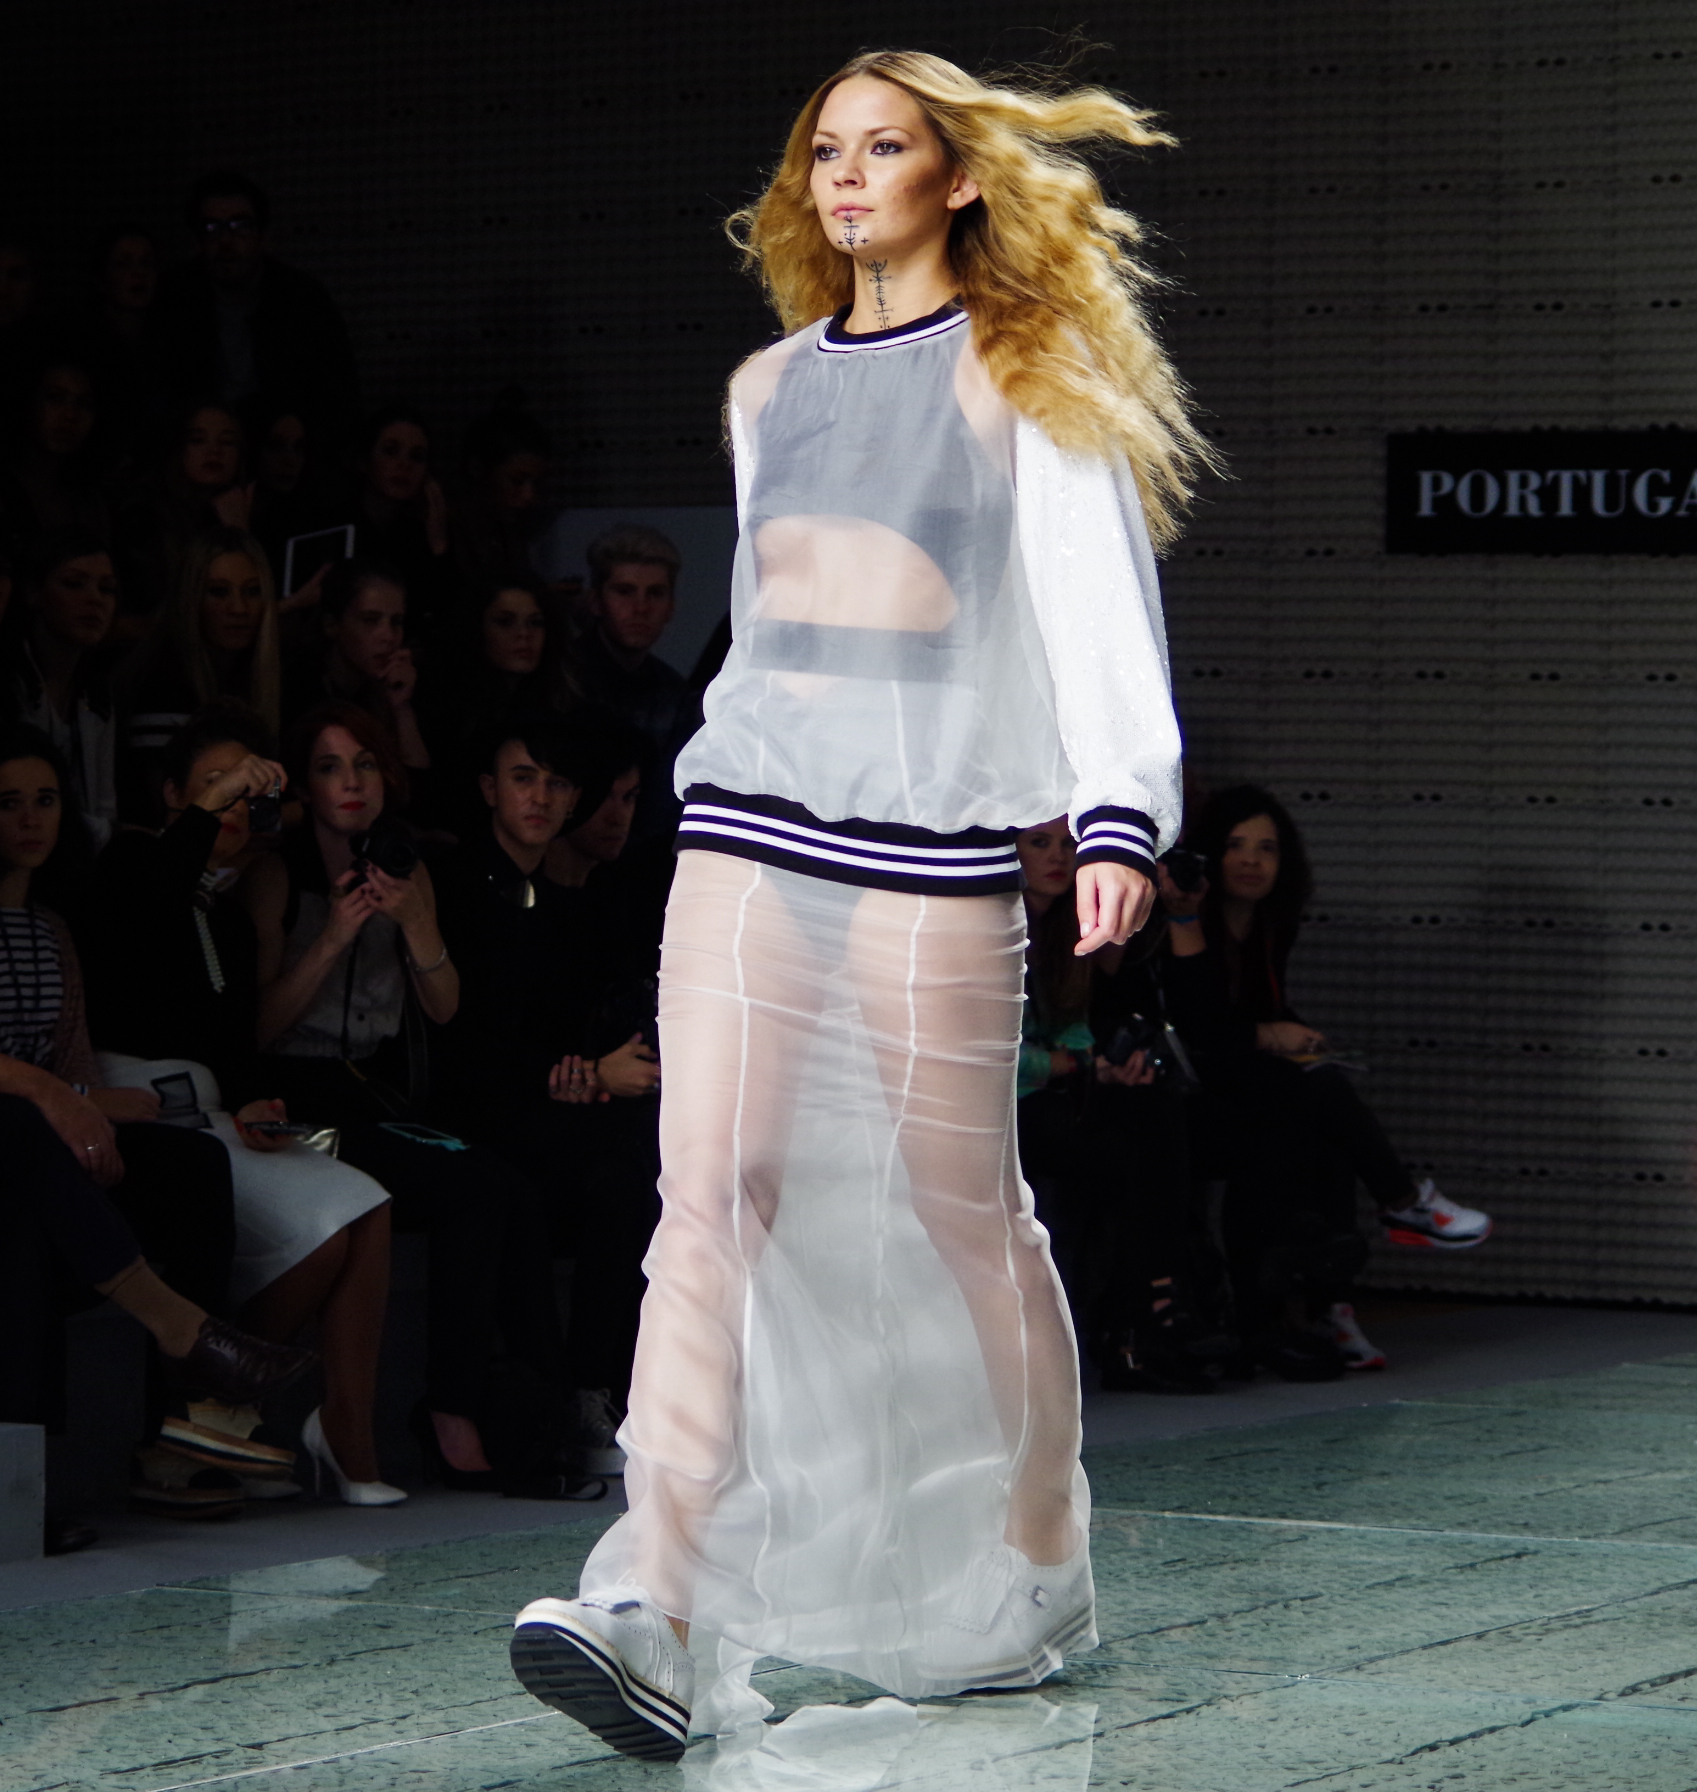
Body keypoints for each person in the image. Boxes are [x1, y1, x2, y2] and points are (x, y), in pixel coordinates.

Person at [508, 50, 1212, 1758]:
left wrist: (1118, 812)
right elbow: (774, 631)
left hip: (932, 853)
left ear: (954, 175)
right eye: (824, 148)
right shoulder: (767, 389)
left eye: (882, 146)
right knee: (708, 1197)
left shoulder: (1026, 369)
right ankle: (657, 1599)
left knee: (969, 1222)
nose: (843, 175)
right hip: (745, 825)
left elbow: (1090, 597)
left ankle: (1034, 1552)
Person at [244, 700, 589, 1498]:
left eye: (365, 764)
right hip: (295, 1096)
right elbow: (257, 1028)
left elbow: (442, 1006)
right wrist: (333, 936)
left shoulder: (408, 868)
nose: (351, 782)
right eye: (330, 768)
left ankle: (529, 1414)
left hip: (373, 1088)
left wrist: (414, 924)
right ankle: (449, 1415)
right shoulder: (277, 873)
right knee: (475, 1187)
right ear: (306, 785)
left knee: (505, 1185)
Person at [82, 704, 400, 1503]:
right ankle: (212, 1412)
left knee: (365, 1203)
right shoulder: (128, 866)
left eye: (245, 792)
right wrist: (208, 810)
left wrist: (257, 1100)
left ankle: (340, 1428)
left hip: (216, 1115)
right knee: (327, 1228)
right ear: (174, 795)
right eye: (215, 785)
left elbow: (231, 1042)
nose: (232, 804)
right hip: (142, 1110)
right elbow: (145, 907)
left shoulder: (222, 912)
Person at [0, 724, 315, 1516]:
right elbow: (50, 1085)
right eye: (8, 803)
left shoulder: (51, 927)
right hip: (16, 1133)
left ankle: (178, 1435)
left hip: (39, 1139)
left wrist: (78, 1101)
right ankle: (182, 1335)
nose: (29, 819)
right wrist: (56, 1098)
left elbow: (71, 1058)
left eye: (45, 800)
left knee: (190, 1166)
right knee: (28, 1161)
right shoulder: (128, 877)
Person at [1160, 785, 1494, 1375]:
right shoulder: (1185, 916)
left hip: (1245, 1094)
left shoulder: (1268, 925)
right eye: (1236, 846)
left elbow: (1258, 1012)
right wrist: (1270, 1035)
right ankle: (1401, 1206)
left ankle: (1328, 1307)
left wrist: (1294, 1034)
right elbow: (1200, 1029)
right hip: (1182, 1101)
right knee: (1314, 1101)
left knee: (1321, 1124)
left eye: (1267, 848)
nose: (1251, 861)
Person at [434, 713, 662, 1470]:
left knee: (636, 1164)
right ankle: (583, 1394)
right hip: (470, 1113)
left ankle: (608, 1391)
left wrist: (590, 1072)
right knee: (619, 1171)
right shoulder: (461, 883)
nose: (540, 797)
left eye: (557, 783)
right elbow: (464, 1040)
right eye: (524, 778)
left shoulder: (558, 899)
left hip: (545, 1108)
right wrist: (586, 1074)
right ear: (488, 788)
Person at [1012, 821, 1222, 1396]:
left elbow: (1074, 1032)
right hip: (1003, 1110)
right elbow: (999, 1057)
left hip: (1052, 1096)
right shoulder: (997, 924)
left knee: (1153, 1108)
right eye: (1040, 844)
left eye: (1068, 845)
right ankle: (1149, 1313)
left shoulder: (1064, 929)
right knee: (1135, 1145)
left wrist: (1092, 1065)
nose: (1058, 857)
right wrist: (1075, 1065)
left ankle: (1147, 1311)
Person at [151, 171, 358, 442]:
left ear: (263, 235)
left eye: (241, 226)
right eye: (212, 228)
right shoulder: (172, 300)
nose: (226, 241)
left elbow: (337, 400)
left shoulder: (303, 302)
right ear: (197, 239)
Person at [118, 527, 281, 822]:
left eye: (252, 591)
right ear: (191, 598)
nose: (239, 608)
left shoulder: (257, 678)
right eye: (219, 591)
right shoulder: (162, 683)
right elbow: (167, 812)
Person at [0, 530, 121, 845]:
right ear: (33, 592)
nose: (95, 599)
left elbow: (103, 805)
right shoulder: (10, 684)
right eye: (73, 584)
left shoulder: (96, 694)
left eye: (107, 589)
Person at [574, 525, 688, 846]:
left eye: (655, 593)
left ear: (671, 606)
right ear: (596, 601)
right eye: (624, 591)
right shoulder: (561, 678)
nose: (641, 607)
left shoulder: (674, 693)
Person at [282, 557, 431, 784]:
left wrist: (402, 709)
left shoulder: (399, 686)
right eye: (370, 620)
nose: (388, 636)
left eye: (396, 622)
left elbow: (420, 788)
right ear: (333, 625)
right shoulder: (297, 691)